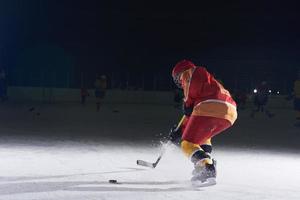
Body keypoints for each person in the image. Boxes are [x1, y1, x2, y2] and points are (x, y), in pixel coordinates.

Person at [168, 59, 237, 186]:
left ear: (180, 73)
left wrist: (187, 103)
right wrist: (180, 129)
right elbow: (192, 115)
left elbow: (190, 107)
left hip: (210, 106)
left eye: (178, 78)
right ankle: (205, 163)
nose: (179, 81)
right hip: (230, 112)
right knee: (201, 137)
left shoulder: (191, 72)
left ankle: (207, 168)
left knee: (187, 143)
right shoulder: (205, 83)